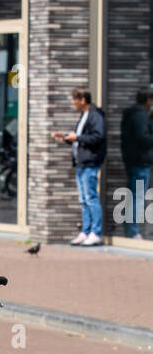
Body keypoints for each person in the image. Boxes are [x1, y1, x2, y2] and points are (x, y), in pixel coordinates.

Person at [53, 87, 107, 246]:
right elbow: (83, 138)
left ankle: (95, 233)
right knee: (84, 199)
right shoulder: (84, 116)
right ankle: (86, 231)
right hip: (81, 163)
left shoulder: (95, 115)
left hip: (90, 162)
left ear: (83, 100)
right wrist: (67, 138)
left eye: (74, 99)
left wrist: (77, 137)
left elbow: (98, 137)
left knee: (91, 198)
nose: (72, 103)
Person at [120, 89, 153, 239]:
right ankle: (133, 232)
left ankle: (130, 230)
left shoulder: (130, 115)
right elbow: (143, 138)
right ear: (148, 100)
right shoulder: (140, 116)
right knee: (137, 197)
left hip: (132, 160)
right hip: (140, 162)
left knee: (133, 196)